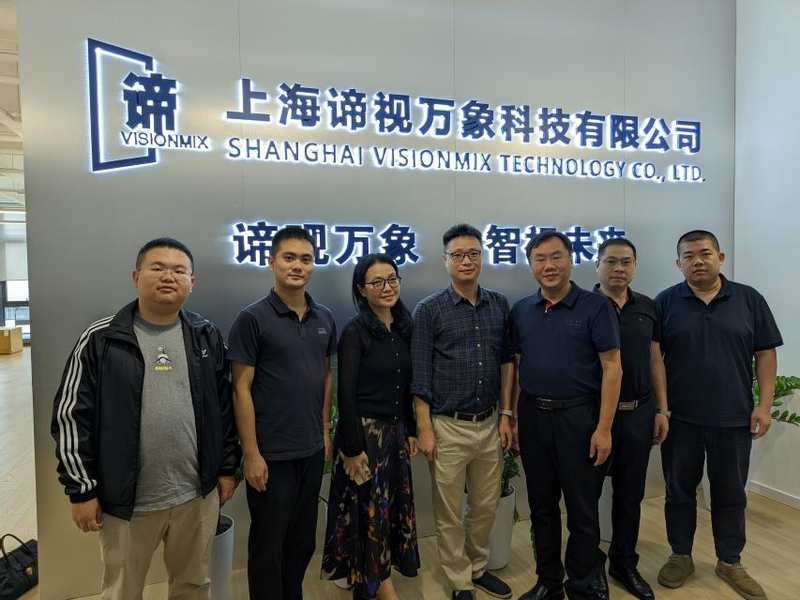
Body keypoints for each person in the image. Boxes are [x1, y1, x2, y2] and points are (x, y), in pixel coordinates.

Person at [51, 237, 240, 600]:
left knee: (193, 585)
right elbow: (70, 415)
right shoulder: (101, 338)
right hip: (126, 502)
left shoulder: (205, 335)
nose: (168, 276)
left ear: (191, 282)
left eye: (179, 270)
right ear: (136, 277)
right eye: (158, 268)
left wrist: (227, 468)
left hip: (195, 496)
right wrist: (81, 490)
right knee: (122, 591)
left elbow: (224, 408)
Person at [655, 230, 782, 600]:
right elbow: (654, 360)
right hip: (681, 419)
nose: (698, 261)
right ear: (678, 263)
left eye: (705, 253)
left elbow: (766, 353)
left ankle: (730, 561)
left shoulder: (749, 299)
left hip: (733, 417)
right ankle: (680, 555)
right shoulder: (666, 301)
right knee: (679, 492)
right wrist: (661, 409)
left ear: (720, 257)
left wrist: (764, 405)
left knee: (730, 494)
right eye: (689, 255)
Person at [510, 231, 622, 600]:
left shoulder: (595, 306)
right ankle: (548, 582)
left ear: (571, 260)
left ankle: (583, 584)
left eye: (556, 256)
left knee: (582, 509)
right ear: (530, 265)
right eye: (540, 259)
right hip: (533, 417)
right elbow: (518, 367)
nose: (549, 265)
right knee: (541, 507)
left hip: (579, 418)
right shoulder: (522, 310)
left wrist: (604, 428)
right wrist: (513, 418)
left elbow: (612, 368)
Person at [228, 225, 337, 600]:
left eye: (306, 259)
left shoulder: (324, 317)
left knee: (302, 541)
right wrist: (251, 454)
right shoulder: (252, 318)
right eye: (289, 258)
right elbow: (240, 388)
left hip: (310, 450)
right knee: (268, 545)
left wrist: (324, 431)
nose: (298, 266)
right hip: (270, 454)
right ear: (271, 261)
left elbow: (325, 375)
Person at [411, 224, 514, 600]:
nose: (466, 261)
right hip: (447, 426)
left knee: (486, 505)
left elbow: (506, 361)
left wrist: (507, 414)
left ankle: (478, 566)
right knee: (449, 511)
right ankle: (459, 580)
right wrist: (425, 428)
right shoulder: (429, 310)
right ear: (445, 260)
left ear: (482, 257)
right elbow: (420, 373)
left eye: (473, 253)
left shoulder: (499, 304)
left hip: (489, 422)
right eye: (458, 255)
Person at [321, 253, 420, 600]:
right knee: (368, 514)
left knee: (389, 511)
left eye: (392, 279)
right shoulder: (355, 331)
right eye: (377, 282)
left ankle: (381, 577)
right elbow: (346, 395)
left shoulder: (404, 327)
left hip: (394, 435)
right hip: (364, 438)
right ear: (362, 290)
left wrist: (411, 430)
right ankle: (377, 586)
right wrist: (351, 449)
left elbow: (406, 387)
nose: (387, 287)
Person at [593, 237, 669, 600]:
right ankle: (590, 565)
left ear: (635, 266)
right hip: (593, 417)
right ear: (597, 266)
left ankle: (623, 563)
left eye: (626, 262)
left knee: (630, 494)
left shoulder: (648, 307)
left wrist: (662, 409)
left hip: (639, 413)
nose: (618, 268)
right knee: (587, 495)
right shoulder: (585, 305)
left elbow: (656, 360)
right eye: (610, 261)